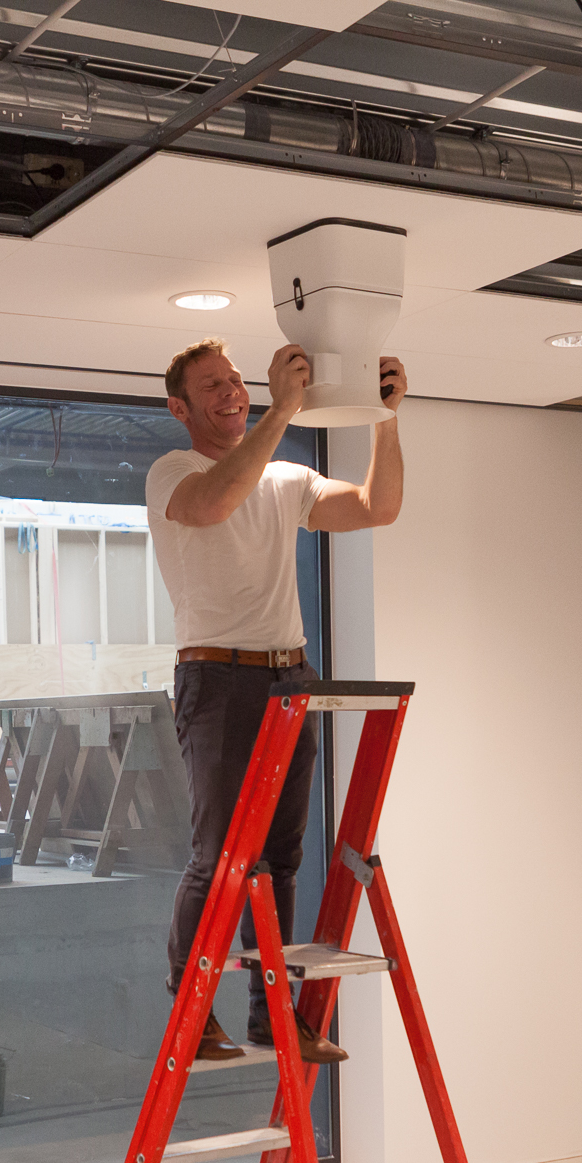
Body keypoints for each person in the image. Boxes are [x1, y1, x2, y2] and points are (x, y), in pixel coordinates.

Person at [145, 337, 407, 1062]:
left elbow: (376, 508)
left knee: (281, 858)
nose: (232, 391)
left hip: (290, 679)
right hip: (219, 680)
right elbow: (216, 501)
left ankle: (272, 1013)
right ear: (181, 408)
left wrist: (385, 419)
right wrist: (286, 406)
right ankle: (191, 1006)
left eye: (235, 380)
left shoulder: (285, 478)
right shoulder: (174, 472)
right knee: (219, 855)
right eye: (213, 387)